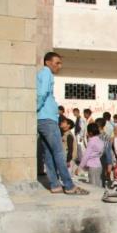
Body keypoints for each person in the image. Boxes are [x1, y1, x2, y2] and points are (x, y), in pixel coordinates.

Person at [36, 52, 88, 195]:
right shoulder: (46, 73)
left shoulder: (42, 74)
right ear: (48, 62)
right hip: (47, 119)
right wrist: (36, 108)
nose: (59, 66)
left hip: (43, 119)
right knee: (59, 152)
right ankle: (69, 185)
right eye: (57, 63)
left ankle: (55, 185)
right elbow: (42, 93)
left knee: (48, 153)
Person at [77, 123, 104, 187]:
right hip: (99, 165)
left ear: (90, 133)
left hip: (92, 166)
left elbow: (86, 156)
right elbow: (101, 153)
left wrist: (79, 167)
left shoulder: (91, 141)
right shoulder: (101, 141)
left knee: (93, 186)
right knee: (98, 184)